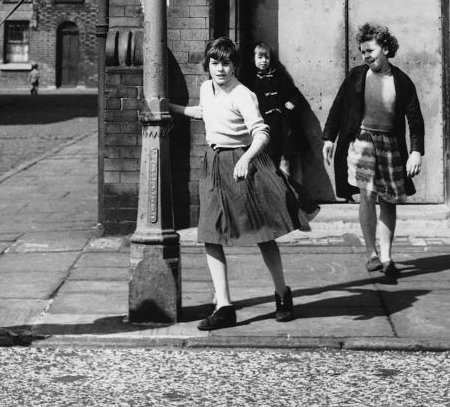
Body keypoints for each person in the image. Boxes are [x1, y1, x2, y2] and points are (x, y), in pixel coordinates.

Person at [169, 36, 311, 331]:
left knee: (263, 233)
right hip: (213, 163)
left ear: (235, 65)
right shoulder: (206, 88)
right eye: (214, 63)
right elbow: (203, 113)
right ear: (207, 65)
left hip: (243, 163)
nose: (220, 69)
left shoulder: (243, 94)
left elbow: (262, 132)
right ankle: (224, 306)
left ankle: (283, 294)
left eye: (226, 63)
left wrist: (246, 159)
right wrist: (169, 107)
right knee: (210, 234)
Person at [322, 23, 424, 280]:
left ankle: (387, 257)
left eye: (370, 50)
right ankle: (371, 254)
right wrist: (329, 138)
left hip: (390, 144)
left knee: (388, 199)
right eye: (362, 52)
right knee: (367, 195)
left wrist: (416, 152)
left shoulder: (401, 81)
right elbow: (338, 107)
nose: (366, 56)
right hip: (362, 140)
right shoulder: (357, 75)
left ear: (386, 48)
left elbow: (415, 119)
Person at [246, 41, 301, 174]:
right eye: (260, 57)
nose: (264, 61)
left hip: (281, 126)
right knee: (265, 163)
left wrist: (292, 102)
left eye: (267, 57)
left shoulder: (279, 76)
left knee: (284, 162)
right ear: (253, 59)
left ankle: (286, 192)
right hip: (263, 126)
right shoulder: (249, 79)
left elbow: (295, 94)